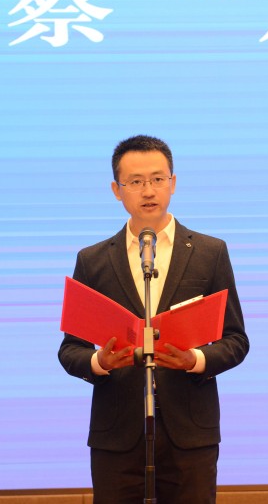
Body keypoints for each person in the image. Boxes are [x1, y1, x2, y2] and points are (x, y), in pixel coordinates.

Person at [58, 135, 249, 503]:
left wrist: (195, 359)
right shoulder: (93, 261)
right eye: (135, 181)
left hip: (190, 434)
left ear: (173, 183)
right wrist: (100, 361)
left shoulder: (209, 253)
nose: (148, 191)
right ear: (117, 190)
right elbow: (70, 350)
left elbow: (236, 341)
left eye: (157, 179)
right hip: (117, 435)